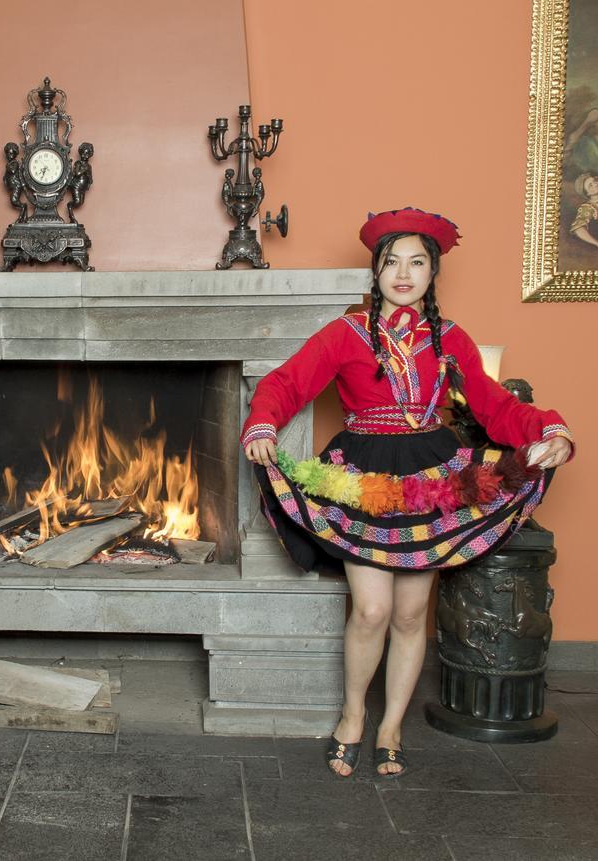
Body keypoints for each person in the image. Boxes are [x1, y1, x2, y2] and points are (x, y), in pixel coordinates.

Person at [241, 207, 573, 778]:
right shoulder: (344, 334)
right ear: (375, 271)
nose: (402, 273)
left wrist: (549, 429)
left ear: (431, 272)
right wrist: (263, 424)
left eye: (416, 262)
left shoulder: (449, 339)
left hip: (431, 473)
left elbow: (496, 407)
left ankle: (391, 725)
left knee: (412, 612)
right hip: (363, 473)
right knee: (370, 610)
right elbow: (285, 382)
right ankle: (352, 717)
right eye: (391, 262)